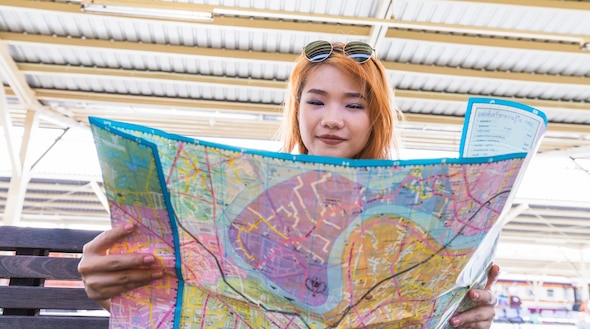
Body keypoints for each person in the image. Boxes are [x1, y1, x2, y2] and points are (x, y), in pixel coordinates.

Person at [78, 40, 500, 328]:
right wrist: (107, 291)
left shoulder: (420, 210)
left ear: (377, 119)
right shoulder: (236, 197)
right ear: (295, 111)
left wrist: (467, 320)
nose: (332, 118)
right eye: (316, 101)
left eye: (354, 105)